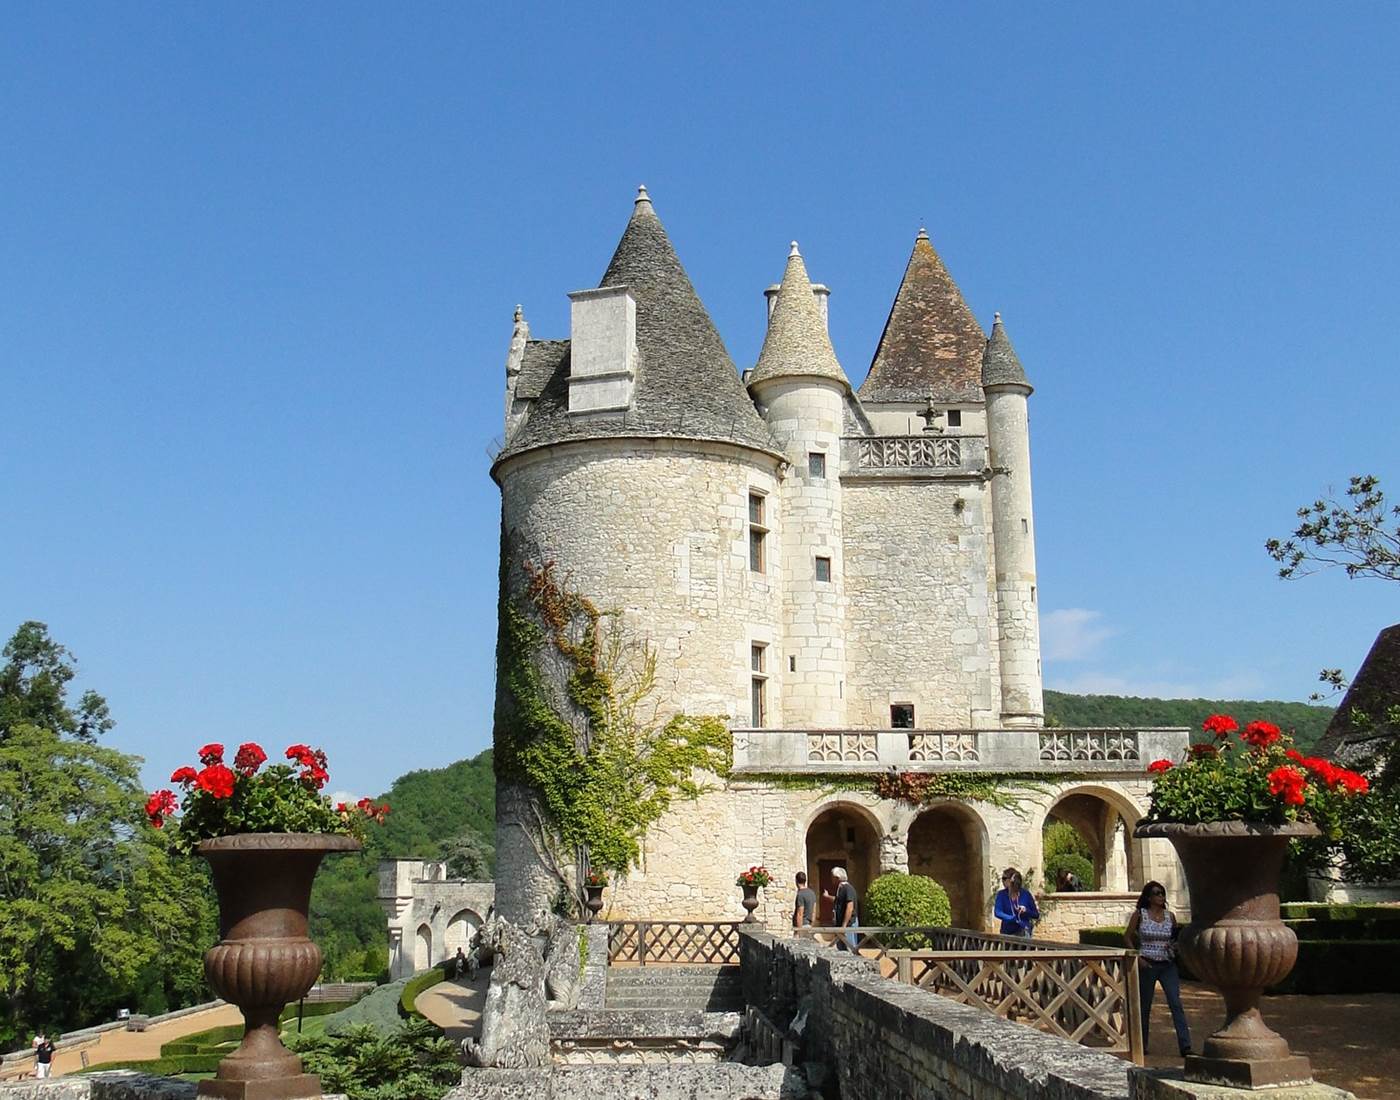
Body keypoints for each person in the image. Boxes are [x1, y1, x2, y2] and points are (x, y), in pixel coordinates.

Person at [1125, 881, 1192, 1057]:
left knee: (1175, 1003)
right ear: (1149, 897)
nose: (1161, 896)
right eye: (1157, 893)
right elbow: (1127, 936)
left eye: (1162, 893)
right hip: (1147, 963)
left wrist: (1175, 945)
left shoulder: (1170, 916)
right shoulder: (1140, 915)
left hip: (1167, 964)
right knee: (1145, 1005)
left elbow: (1174, 939)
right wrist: (1137, 957)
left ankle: (1185, 1045)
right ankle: (1142, 1044)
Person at [994, 868, 1040, 938]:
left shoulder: (1025, 894)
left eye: (1004, 878)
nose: (1002, 881)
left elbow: (1036, 915)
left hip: (1024, 932)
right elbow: (997, 912)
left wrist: (1026, 910)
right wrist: (1012, 918)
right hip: (1007, 932)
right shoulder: (1001, 894)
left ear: (1010, 881)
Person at [822, 867, 859, 951]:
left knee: (850, 949)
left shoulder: (847, 888)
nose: (831, 879)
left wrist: (844, 926)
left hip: (848, 925)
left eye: (832, 877)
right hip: (842, 925)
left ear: (837, 878)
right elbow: (838, 901)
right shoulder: (841, 889)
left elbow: (850, 907)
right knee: (841, 950)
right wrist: (827, 897)